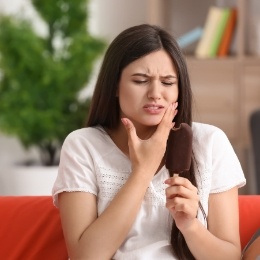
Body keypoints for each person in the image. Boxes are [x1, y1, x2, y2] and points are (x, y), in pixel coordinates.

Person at [52, 24, 246, 260]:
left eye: (167, 82)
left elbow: (230, 257)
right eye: (140, 80)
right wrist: (142, 171)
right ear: (114, 85)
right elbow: (86, 257)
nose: (156, 93)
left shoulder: (210, 143)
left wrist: (190, 226)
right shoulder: (82, 145)